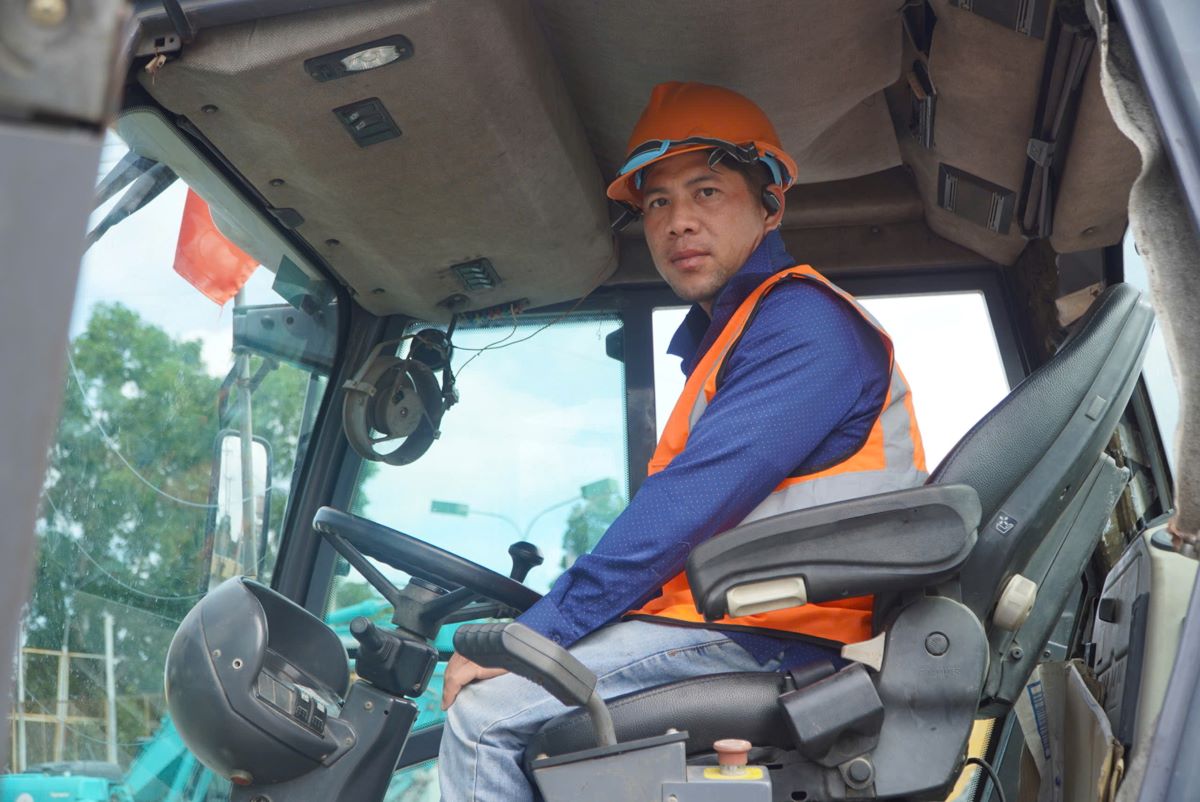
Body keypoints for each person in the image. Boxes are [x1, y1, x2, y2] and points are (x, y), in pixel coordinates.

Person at [438, 81, 927, 801]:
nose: (676, 222)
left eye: (706, 191)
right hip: (737, 625)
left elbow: (687, 506)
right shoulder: (736, 336)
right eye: (657, 202)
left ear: (771, 203)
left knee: (484, 721)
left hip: (776, 635)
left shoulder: (804, 324)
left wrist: (542, 634)